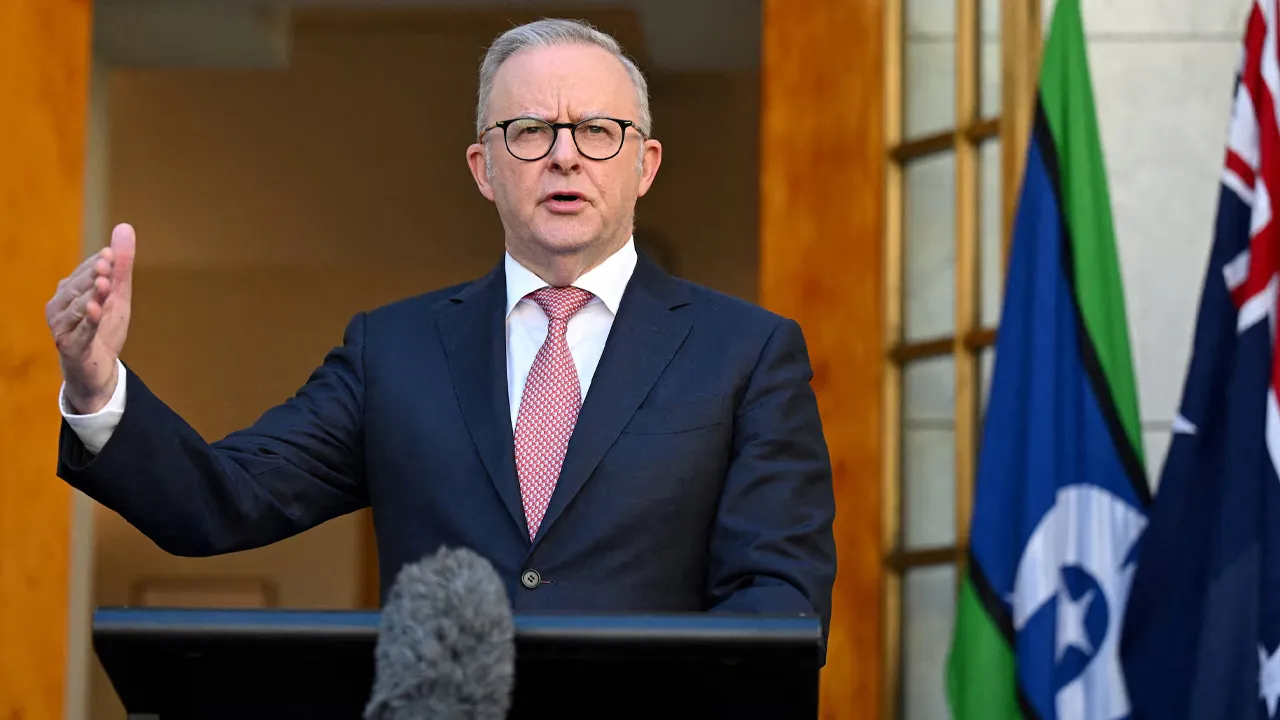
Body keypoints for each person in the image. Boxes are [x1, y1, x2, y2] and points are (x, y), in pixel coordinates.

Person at [46, 19, 837, 641]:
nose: (564, 156)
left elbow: (778, 602)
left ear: (646, 164)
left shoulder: (747, 354)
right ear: (484, 169)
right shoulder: (393, 353)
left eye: (598, 130)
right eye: (529, 131)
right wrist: (95, 387)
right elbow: (221, 502)